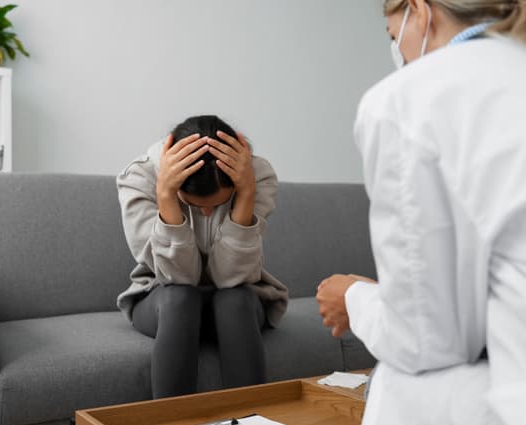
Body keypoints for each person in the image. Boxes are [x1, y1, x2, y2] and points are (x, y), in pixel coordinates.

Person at [316, 1, 526, 424]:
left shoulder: (405, 99)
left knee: (396, 379)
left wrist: (353, 298)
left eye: (394, 37)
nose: (399, 54)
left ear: (418, 11)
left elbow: (424, 339)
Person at [116, 115, 288, 399]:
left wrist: (245, 194)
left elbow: (229, 278)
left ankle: (251, 419)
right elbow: (179, 278)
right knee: (181, 297)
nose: (207, 213)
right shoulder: (138, 178)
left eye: (219, 204)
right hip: (165, 302)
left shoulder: (257, 175)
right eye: (194, 206)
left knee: (235, 299)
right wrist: (167, 197)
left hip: (235, 302)